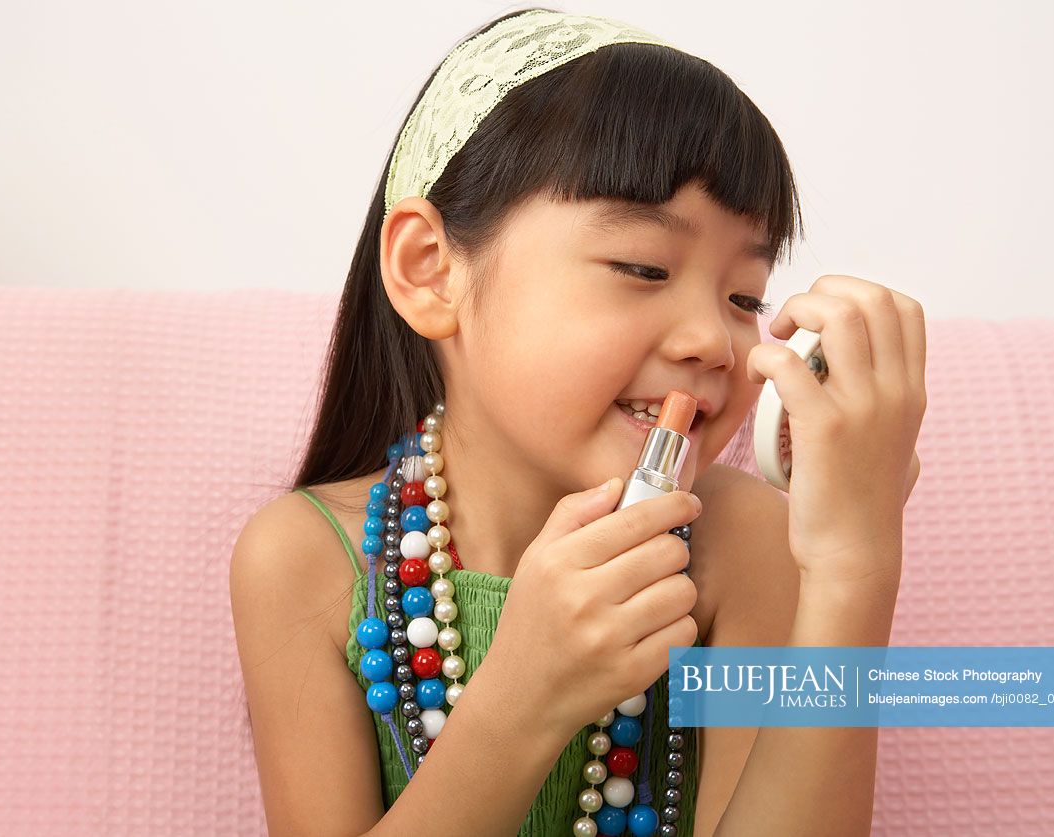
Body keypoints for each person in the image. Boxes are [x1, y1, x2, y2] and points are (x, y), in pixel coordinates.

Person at [231, 8, 925, 836]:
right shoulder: (303, 560)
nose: (712, 339)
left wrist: (856, 561)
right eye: (642, 267)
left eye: (744, 296)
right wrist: (525, 695)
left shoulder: (744, 543)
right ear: (429, 272)